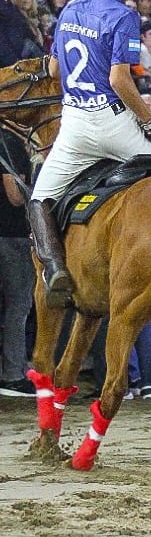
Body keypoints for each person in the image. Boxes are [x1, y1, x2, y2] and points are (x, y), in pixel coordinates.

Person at [29, 0, 151, 308]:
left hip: (74, 124)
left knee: (40, 198)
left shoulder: (69, 9)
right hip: (112, 121)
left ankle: (55, 267)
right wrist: (150, 121)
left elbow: (55, 70)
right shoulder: (124, 15)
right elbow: (119, 80)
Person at [0, 127, 35, 397]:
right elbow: (15, 194)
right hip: (11, 235)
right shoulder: (9, 141)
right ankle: (13, 375)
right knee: (18, 307)